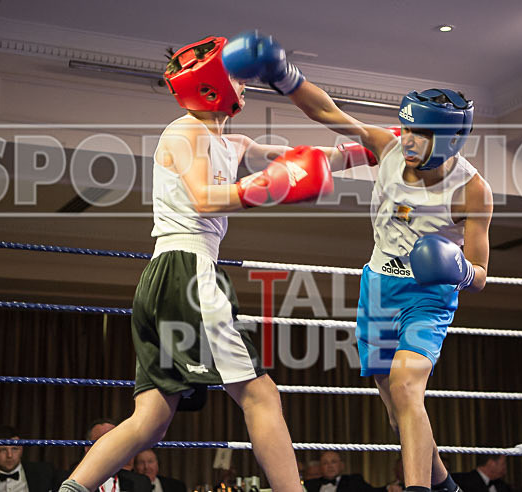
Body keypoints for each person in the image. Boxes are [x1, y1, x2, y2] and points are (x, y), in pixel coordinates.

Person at [58, 35, 335, 492]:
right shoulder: (185, 130)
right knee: (260, 395)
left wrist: (372, 152)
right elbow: (207, 199)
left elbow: (303, 160)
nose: (243, 84)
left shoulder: (229, 140)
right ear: (211, 86)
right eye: (234, 77)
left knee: (151, 419)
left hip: (168, 276)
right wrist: (270, 186)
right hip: (187, 270)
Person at [222, 31, 492, 492]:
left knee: (408, 389)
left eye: (420, 135)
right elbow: (327, 111)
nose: (407, 140)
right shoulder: (386, 147)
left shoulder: (473, 190)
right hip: (377, 289)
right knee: (395, 405)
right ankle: (445, 483)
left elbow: (482, 276)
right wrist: (281, 76)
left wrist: (458, 268)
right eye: (405, 128)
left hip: (428, 298)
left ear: (449, 140)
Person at [0, 426, 61, 492]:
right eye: (3, 450)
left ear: (22, 449)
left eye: (15, 449)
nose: (10, 455)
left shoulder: (45, 472)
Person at [303, 452, 384, 492]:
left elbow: (373, 491)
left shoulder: (354, 481)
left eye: (333, 462)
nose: (330, 466)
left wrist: (388, 488)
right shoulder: (309, 485)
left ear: (342, 465)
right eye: (325, 463)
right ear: (320, 467)